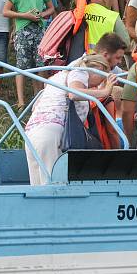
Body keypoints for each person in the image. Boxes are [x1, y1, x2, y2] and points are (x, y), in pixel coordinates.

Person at [24, 55, 116, 185]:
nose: (100, 84)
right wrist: (105, 92)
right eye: (102, 78)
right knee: (54, 186)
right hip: (51, 132)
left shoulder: (58, 77)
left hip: (32, 132)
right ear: (97, 69)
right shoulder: (80, 72)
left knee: (38, 186)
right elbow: (74, 93)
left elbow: (36, 106)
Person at [3, 0, 55, 109]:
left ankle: (40, 97)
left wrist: (42, 15)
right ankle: (21, 101)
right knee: (21, 65)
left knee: (40, 64)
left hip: (39, 28)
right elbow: (5, 11)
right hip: (22, 29)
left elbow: (51, 8)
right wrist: (25, 15)